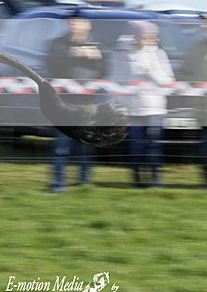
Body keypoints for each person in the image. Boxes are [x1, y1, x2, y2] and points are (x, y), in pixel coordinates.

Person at [45, 15, 107, 191]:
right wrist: (69, 54)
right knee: (60, 146)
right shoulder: (58, 44)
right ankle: (58, 183)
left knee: (86, 145)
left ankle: (84, 182)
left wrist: (96, 57)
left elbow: (105, 71)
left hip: (88, 104)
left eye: (78, 23)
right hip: (63, 103)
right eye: (71, 23)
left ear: (88, 26)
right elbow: (52, 66)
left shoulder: (96, 45)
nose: (73, 26)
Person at [111, 20, 174, 187]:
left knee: (154, 144)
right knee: (135, 145)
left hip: (155, 108)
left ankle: (155, 179)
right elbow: (117, 81)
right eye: (146, 35)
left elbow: (169, 81)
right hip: (133, 108)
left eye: (153, 36)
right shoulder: (124, 54)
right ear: (137, 35)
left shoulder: (159, 54)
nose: (150, 39)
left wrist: (153, 71)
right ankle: (137, 177)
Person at [176, 12, 207, 180]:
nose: (204, 27)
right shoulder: (196, 47)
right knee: (204, 144)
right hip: (202, 105)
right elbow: (185, 72)